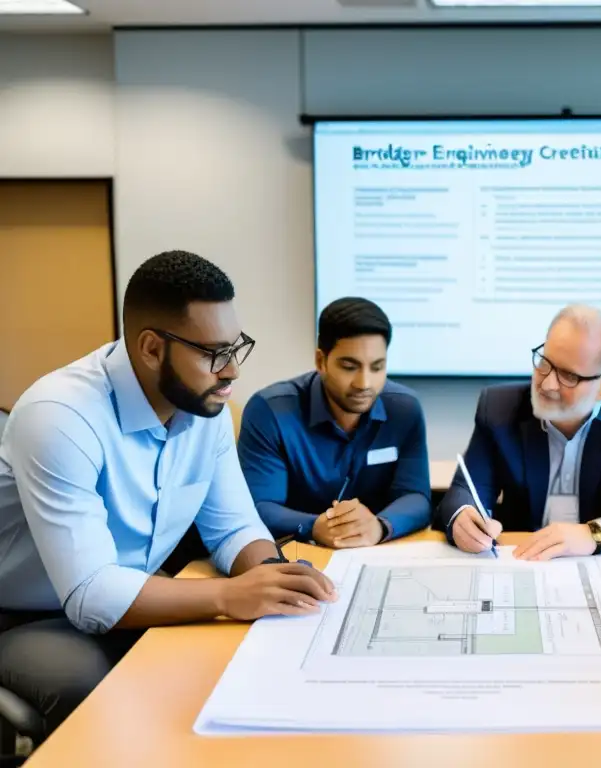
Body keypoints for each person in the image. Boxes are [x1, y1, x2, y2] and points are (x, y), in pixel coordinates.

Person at [0, 251, 336, 738]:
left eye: (235, 348)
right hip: (32, 616)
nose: (232, 373)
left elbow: (235, 527)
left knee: (240, 658)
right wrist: (229, 594)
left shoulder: (205, 410)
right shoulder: (60, 415)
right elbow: (91, 594)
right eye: (213, 354)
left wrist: (270, 576)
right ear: (152, 349)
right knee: (99, 690)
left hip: (136, 594)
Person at [435, 304, 601, 560]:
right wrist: (463, 517)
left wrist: (595, 534)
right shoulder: (500, 408)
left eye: (568, 376)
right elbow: (464, 490)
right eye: (544, 362)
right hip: (521, 560)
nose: (547, 383)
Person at [238, 297, 430, 548]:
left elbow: (417, 497)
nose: (364, 383)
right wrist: (314, 526)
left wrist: (380, 526)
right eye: (350, 367)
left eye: (377, 367)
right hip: (299, 553)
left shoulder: (405, 410)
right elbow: (258, 505)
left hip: (374, 552)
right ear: (321, 361)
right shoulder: (270, 411)